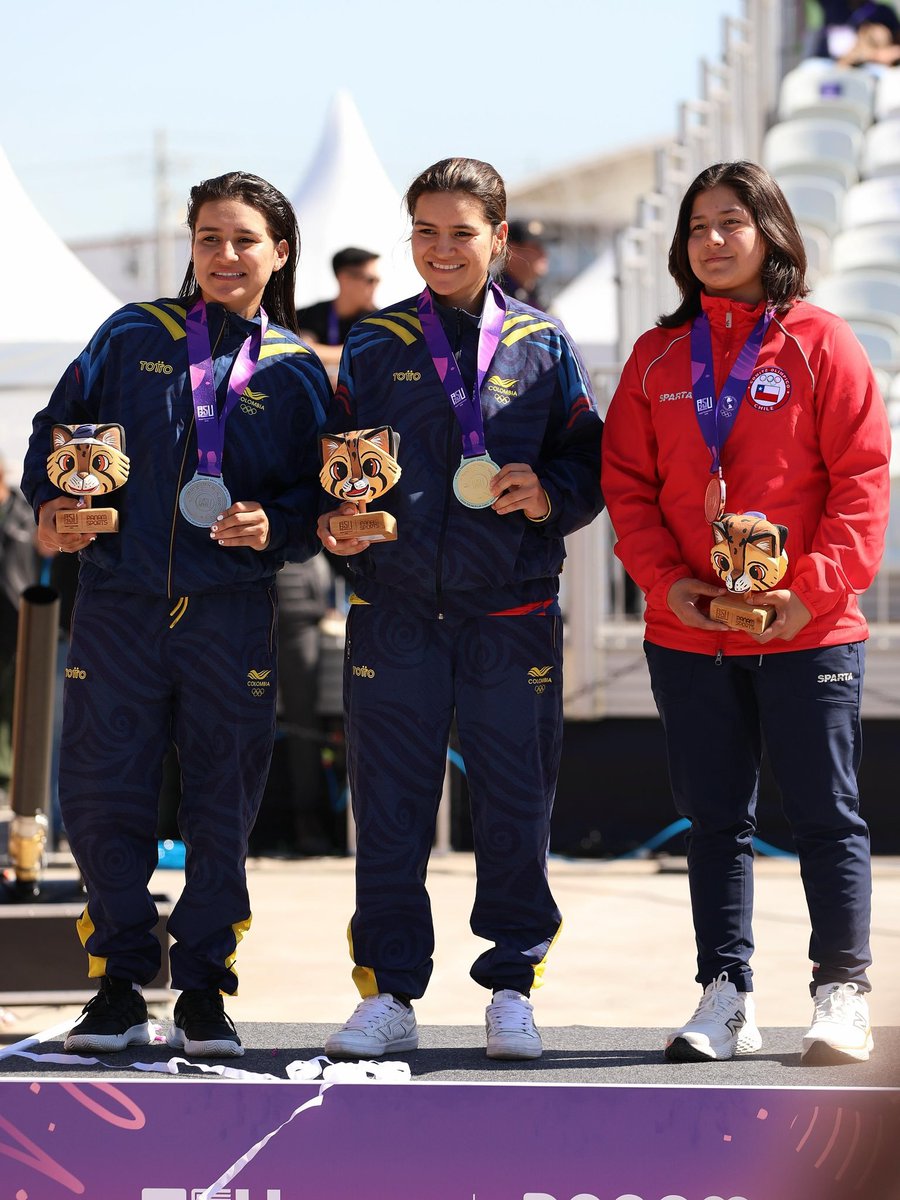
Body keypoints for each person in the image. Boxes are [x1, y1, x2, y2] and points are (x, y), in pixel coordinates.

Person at [21, 170, 331, 1059]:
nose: (224, 256)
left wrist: (280, 524)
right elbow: (56, 428)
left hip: (230, 615)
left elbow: (327, 494)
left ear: (279, 253)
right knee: (97, 798)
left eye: (243, 241)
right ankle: (118, 988)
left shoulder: (297, 370)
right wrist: (49, 499)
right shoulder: (129, 334)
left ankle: (201, 990)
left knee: (221, 809)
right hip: (118, 607)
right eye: (208, 238)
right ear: (190, 247)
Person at [601, 160, 891, 1066]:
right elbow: (629, 487)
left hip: (810, 629)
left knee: (825, 815)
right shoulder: (656, 356)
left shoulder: (820, 341)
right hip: (690, 629)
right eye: (697, 228)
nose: (714, 241)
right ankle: (725, 993)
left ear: (770, 231)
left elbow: (864, 481)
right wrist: (668, 583)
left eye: (732, 222)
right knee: (716, 818)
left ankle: (841, 989)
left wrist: (806, 590)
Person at [317, 156, 604, 1062]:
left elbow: (590, 466)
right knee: (391, 809)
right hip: (395, 611)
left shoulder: (545, 345)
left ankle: (512, 986)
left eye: (461, 233)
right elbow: (327, 466)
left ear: (499, 240)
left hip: (507, 612)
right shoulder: (369, 344)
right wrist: (333, 521)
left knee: (516, 807)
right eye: (426, 233)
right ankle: (391, 991)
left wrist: (546, 491)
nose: (442, 250)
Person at [0, 456, 41, 797]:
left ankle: (19, 781)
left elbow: (47, 551)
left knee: (22, 704)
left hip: (21, 621)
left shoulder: (25, 511)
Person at [295, 246, 381, 379]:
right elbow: (299, 350)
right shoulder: (309, 314)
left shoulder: (381, 321)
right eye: (370, 280)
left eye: (378, 280)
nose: (375, 286)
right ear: (344, 279)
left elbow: (367, 354)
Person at [495, 219, 549, 308]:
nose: (543, 253)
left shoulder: (541, 296)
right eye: (535, 247)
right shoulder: (494, 295)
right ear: (512, 251)